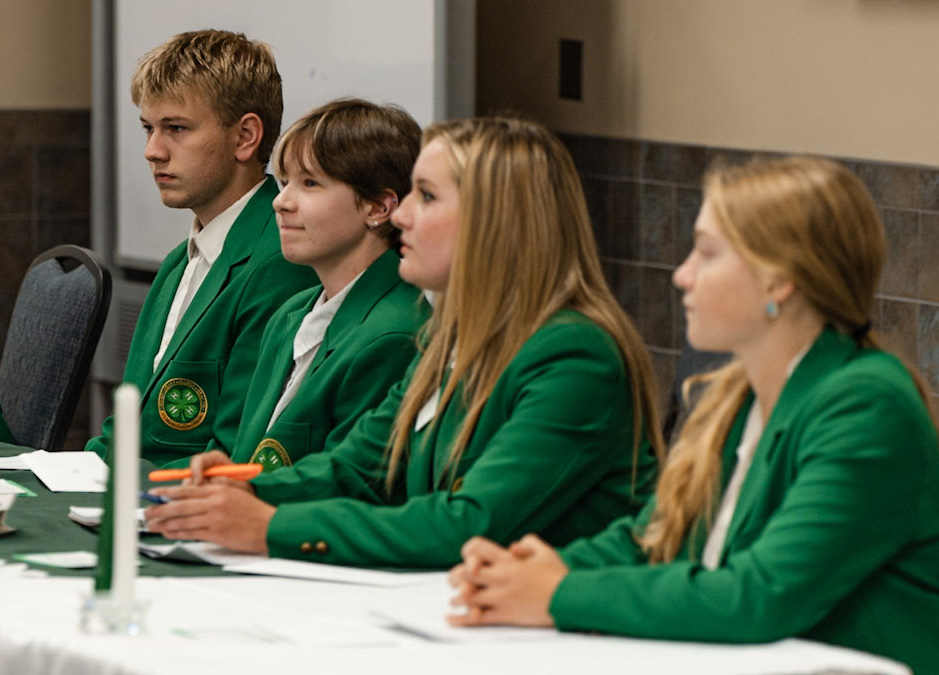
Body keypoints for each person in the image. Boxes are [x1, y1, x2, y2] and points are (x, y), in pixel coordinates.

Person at [448, 157, 939, 675]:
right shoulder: (741, 394)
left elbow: (760, 594)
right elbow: (654, 540)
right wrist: (523, 573)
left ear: (779, 282)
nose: (682, 275)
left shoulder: (867, 404)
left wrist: (559, 592)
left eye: (706, 253)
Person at [144, 117, 664, 569]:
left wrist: (266, 527)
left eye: (428, 197)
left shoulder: (574, 357)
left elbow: (471, 522)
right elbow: (358, 468)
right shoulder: (454, 340)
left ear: (496, 221)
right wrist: (244, 488)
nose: (402, 215)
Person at [85, 29, 318, 467]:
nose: (153, 151)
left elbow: (232, 454)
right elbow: (126, 431)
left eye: (176, 128)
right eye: (148, 129)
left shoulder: (280, 259)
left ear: (245, 137)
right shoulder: (181, 259)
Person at [226, 98, 429, 470]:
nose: (281, 202)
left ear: (378, 208)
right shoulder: (289, 314)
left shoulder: (394, 334)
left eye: (310, 183)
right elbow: (250, 458)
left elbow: (346, 485)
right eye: (285, 182)